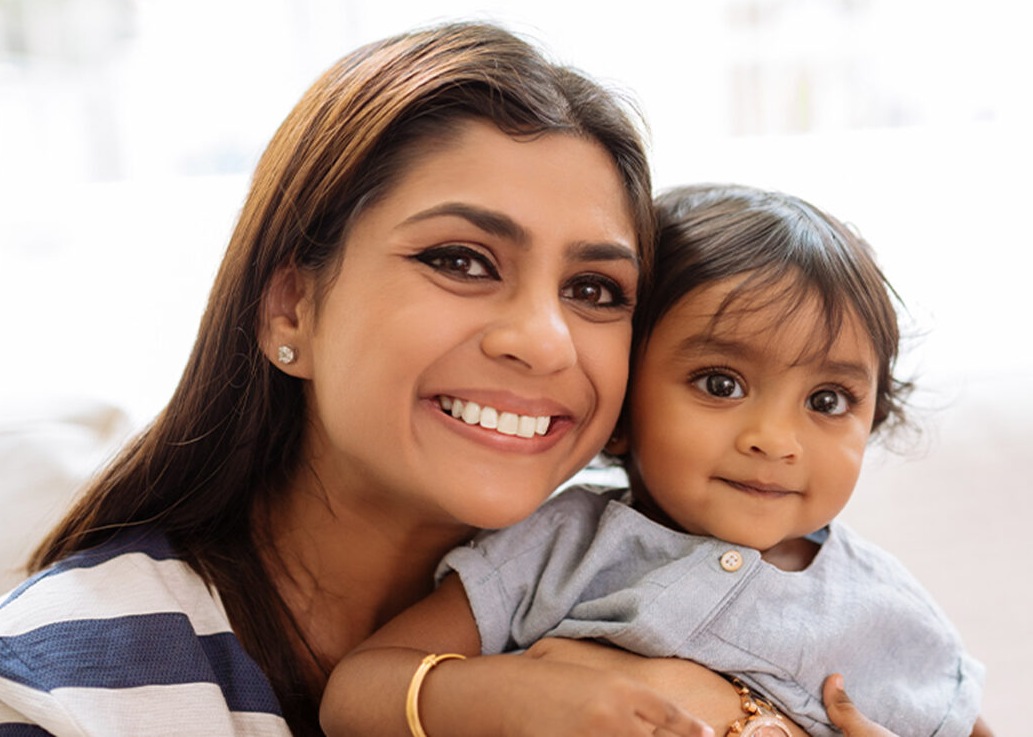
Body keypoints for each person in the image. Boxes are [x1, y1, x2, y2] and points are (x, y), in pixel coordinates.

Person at [0, 24, 902, 737]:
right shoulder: (67, 672)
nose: (544, 338)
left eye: (595, 287)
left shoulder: (680, 599)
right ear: (290, 310)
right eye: (462, 259)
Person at [321, 184, 988, 737]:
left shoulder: (882, 605)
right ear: (619, 412)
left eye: (827, 399)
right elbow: (354, 692)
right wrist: (507, 694)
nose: (776, 439)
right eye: (720, 384)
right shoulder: (564, 545)